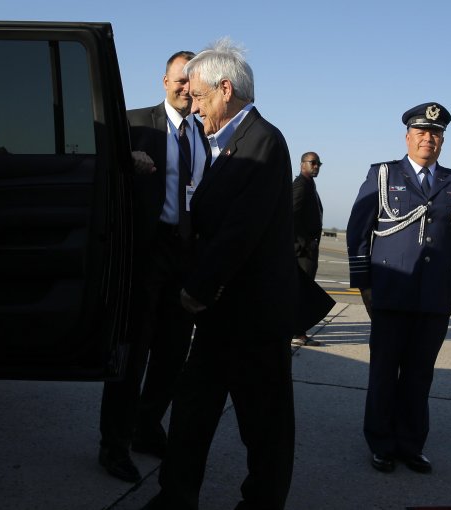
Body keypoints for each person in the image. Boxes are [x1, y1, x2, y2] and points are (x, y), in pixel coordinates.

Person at [143, 37, 298, 510]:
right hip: (220, 314)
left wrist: (195, 289)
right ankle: (175, 496)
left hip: (251, 317)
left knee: (263, 425)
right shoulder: (223, 144)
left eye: (201, 96)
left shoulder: (263, 143)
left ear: (225, 89)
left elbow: (239, 232)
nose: (195, 107)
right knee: (191, 410)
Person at [346, 102, 451, 474]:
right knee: (384, 372)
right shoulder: (383, 174)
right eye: (421, 132)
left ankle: (411, 444)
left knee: (420, 375)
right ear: (408, 137)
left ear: (442, 141)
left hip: (435, 297)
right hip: (390, 290)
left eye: (435, 134)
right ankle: (381, 443)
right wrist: (364, 286)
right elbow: (359, 231)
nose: (428, 139)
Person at [97, 50, 209, 483]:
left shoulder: (205, 134)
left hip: (186, 254)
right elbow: (99, 171)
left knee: (172, 354)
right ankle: (114, 444)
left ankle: (146, 428)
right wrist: (127, 164)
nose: (185, 89)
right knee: (133, 353)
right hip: (145, 254)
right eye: (179, 80)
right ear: (164, 81)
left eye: (192, 82)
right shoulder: (133, 124)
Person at [291, 151, 325, 347]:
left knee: (302, 291)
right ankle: (297, 332)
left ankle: (296, 330)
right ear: (302, 164)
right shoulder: (300, 186)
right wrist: (303, 244)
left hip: (307, 251)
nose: (316, 166)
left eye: (319, 163)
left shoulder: (309, 185)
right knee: (301, 293)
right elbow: (290, 215)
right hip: (302, 253)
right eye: (313, 163)